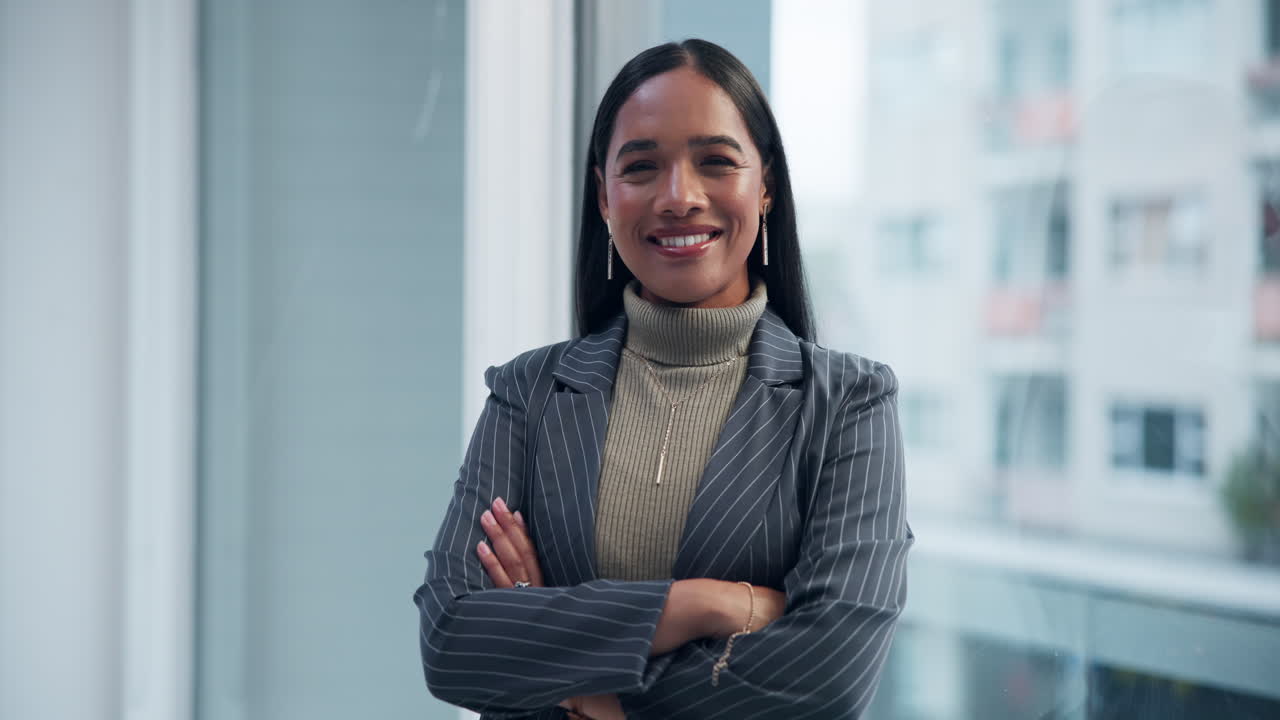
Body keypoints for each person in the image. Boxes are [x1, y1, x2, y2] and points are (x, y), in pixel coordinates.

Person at [414, 39, 912, 720]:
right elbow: (452, 641)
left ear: (764, 184)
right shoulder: (528, 392)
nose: (680, 197)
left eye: (715, 162)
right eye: (642, 166)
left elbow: (830, 673)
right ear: (603, 196)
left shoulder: (848, 404)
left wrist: (590, 689)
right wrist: (701, 604)